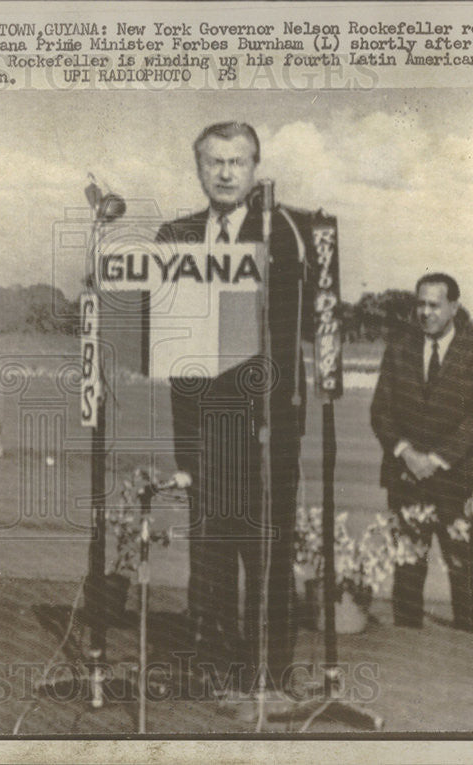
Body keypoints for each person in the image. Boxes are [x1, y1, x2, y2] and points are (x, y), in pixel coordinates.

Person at [155, 122, 316, 687]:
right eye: (214, 163)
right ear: (198, 168)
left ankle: (271, 675)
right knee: (211, 557)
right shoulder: (174, 237)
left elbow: (300, 332)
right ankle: (214, 665)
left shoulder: (288, 237)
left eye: (237, 162)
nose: (225, 174)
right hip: (206, 433)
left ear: (255, 169)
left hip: (268, 432)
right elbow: (175, 355)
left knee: (268, 559)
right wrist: (184, 451)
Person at [370, 273, 473, 632]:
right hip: (407, 477)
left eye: (434, 305)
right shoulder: (398, 349)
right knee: (407, 572)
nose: (425, 312)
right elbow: (381, 411)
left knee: (465, 571)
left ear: (454, 307)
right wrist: (407, 453)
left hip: (461, 482)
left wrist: (436, 460)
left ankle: (469, 654)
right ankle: (409, 647)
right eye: (420, 304)